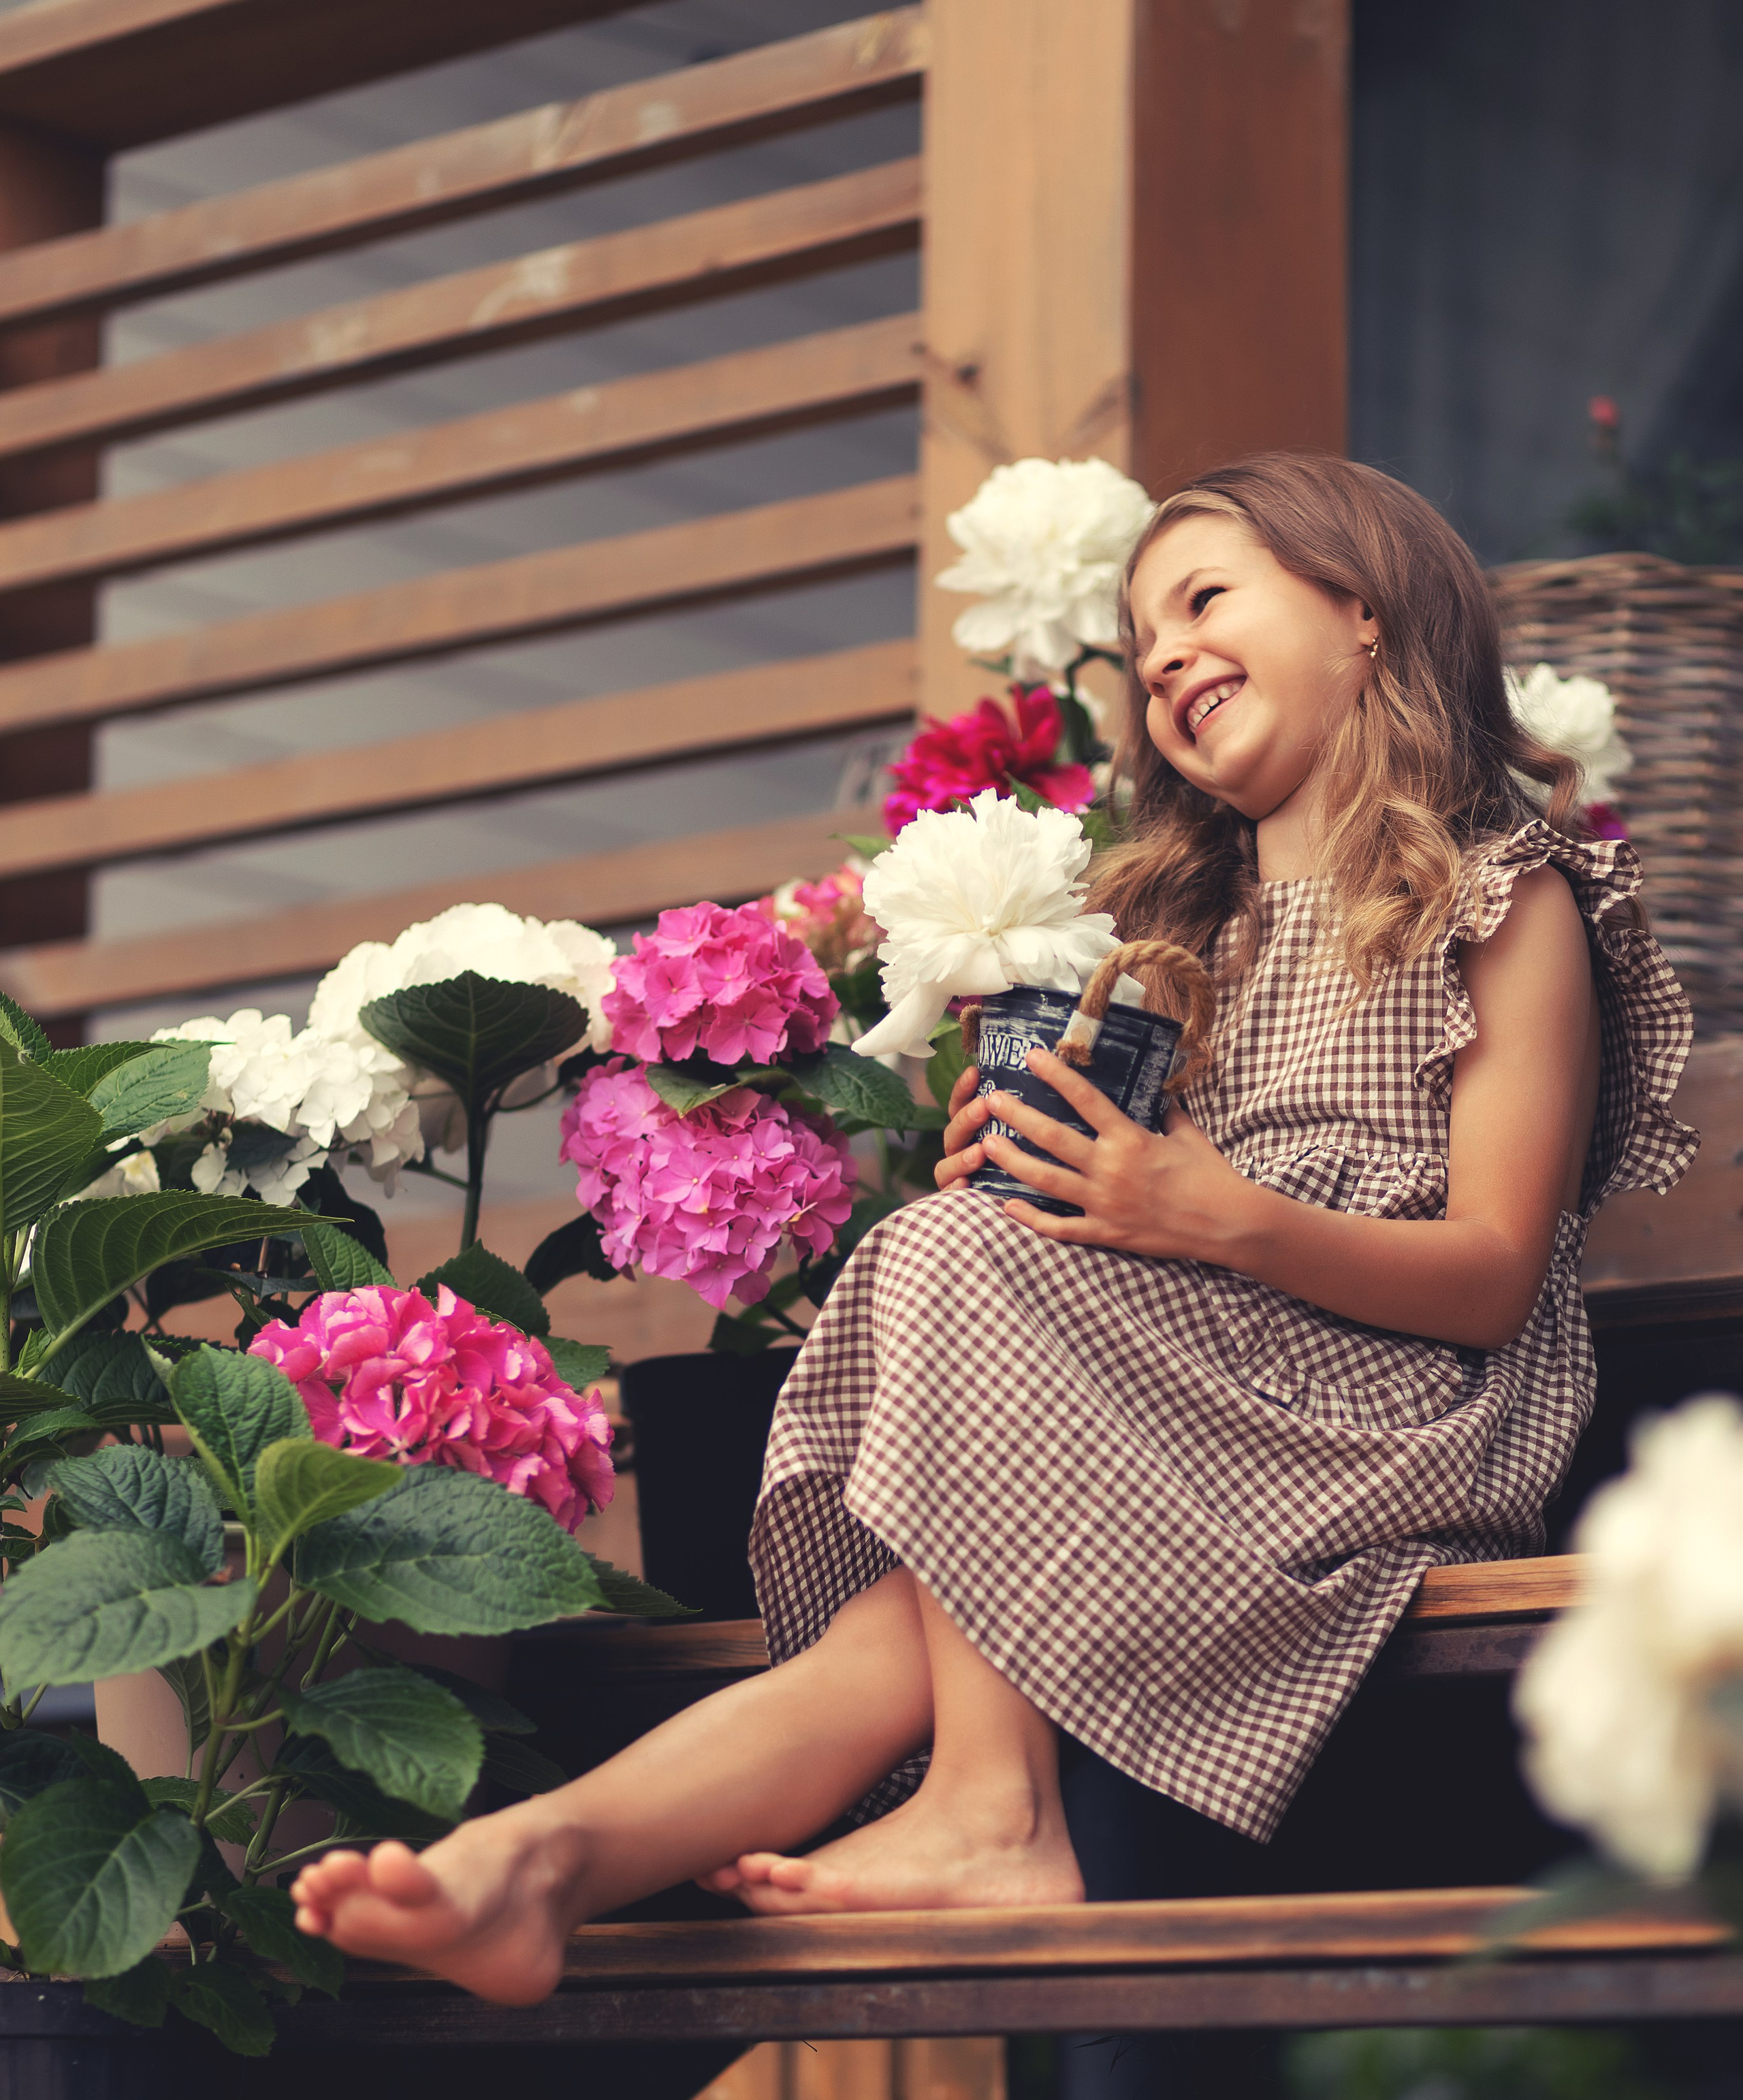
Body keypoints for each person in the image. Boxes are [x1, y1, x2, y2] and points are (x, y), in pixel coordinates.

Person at [291, 452, 1695, 2002]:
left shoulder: (1505, 899)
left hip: (1394, 1409)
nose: (1159, 655)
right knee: (915, 1527)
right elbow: (1143, 1215)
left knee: (956, 1270)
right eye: (1141, 634)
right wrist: (1052, 1164)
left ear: (1361, 613)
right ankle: (539, 1862)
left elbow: (1496, 1276)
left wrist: (1202, 1213)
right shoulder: (1176, 934)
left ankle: (987, 1809)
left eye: (1202, 600)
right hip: (1215, 1385)